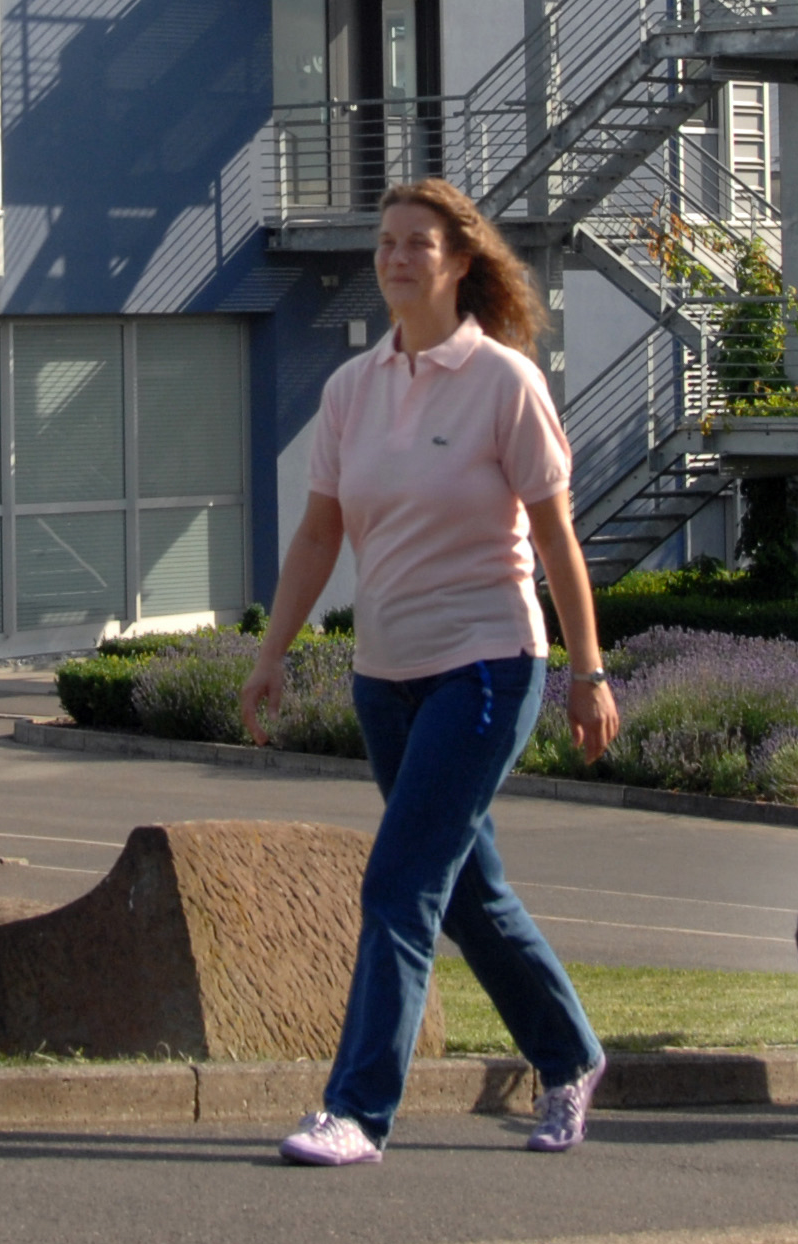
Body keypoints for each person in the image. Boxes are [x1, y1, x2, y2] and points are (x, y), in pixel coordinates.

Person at [243, 179, 620, 1166]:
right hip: (384, 675)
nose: (397, 256)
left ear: (459, 260)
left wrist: (588, 668)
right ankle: (572, 1055)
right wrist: (272, 652)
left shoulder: (503, 381)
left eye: (418, 242)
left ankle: (357, 1108)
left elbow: (554, 536)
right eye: (386, 241)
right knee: (466, 893)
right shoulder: (350, 387)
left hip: (488, 664)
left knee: (400, 882)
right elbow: (319, 530)